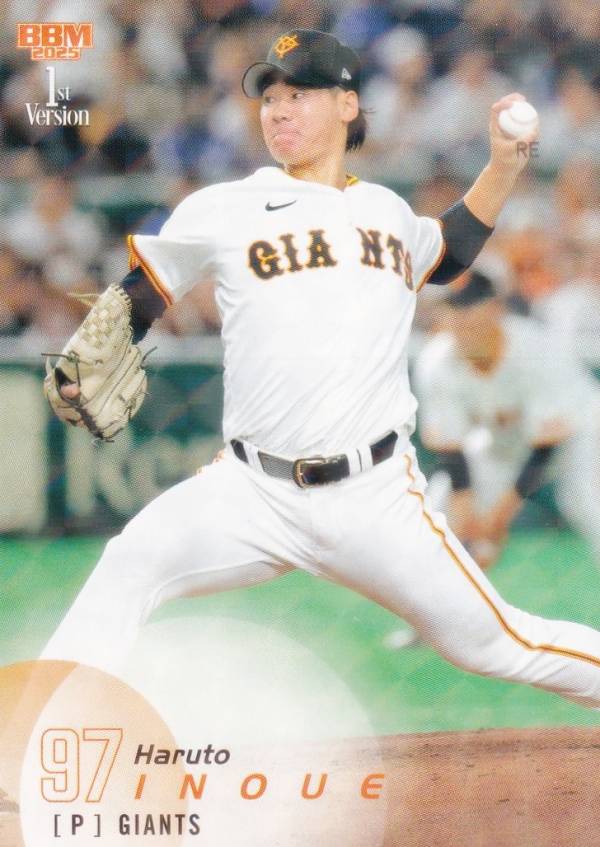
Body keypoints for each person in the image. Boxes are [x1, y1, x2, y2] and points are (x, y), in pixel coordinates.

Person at [42, 29, 600, 709]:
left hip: (375, 497)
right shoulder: (223, 207)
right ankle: (37, 733)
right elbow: (145, 291)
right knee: (131, 561)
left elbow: (448, 252)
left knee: (495, 644)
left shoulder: (387, 212)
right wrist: (94, 348)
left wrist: (504, 166)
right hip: (250, 491)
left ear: (346, 104)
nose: (278, 109)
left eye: (298, 94)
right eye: (269, 97)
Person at [385, 271, 600, 649]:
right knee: (437, 513)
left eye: (470, 306)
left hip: (582, 437)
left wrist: (497, 518)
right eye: (453, 308)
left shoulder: (535, 348)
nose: (461, 317)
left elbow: (546, 447)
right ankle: (430, 623)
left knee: (591, 506)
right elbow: (450, 445)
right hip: (504, 443)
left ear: (496, 308)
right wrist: (466, 510)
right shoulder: (437, 361)